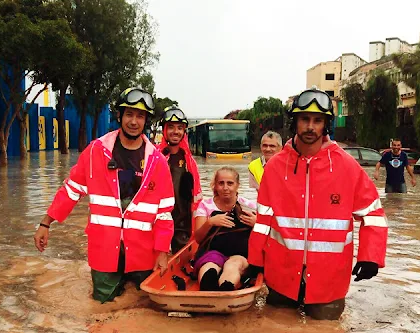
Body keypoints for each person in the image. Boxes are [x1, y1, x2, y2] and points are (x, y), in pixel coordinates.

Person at [248, 89, 388, 320]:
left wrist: (370, 257)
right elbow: (263, 221)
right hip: (281, 277)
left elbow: (373, 214)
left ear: (326, 125)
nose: (310, 127)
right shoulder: (274, 168)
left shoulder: (347, 167)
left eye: (317, 120)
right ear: (294, 122)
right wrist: (254, 261)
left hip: (329, 282)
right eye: (304, 119)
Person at [32, 87, 175, 303]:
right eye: (129, 114)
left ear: (146, 121)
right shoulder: (95, 151)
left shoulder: (158, 161)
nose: (134, 121)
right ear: (119, 115)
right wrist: (46, 223)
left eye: (140, 116)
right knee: (101, 307)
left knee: (145, 306)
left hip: (144, 253)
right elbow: (71, 190)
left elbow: (164, 213)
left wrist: (163, 251)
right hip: (105, 250)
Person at [193, 167, 257, 291]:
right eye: (221, 183)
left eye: (230, 183)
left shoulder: (249, 206)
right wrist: (210, 222)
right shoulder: (205, 205)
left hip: (239, 254)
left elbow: (264, 236)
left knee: (234, 264)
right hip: (212, 252)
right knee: (210, 263)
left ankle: (226, 287)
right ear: (215, 185)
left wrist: (256, 224)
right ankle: (207, 286)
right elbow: (198, 239)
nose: (225, 188)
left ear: (237, 185)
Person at [157, 105, 203, 254]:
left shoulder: (190, 163)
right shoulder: (153, 157)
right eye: (171, 127)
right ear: (164, 129)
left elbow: (197, 199)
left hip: (182, 228)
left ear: (184, 132)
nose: (175, 131)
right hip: (156, 226)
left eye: (180, 128)